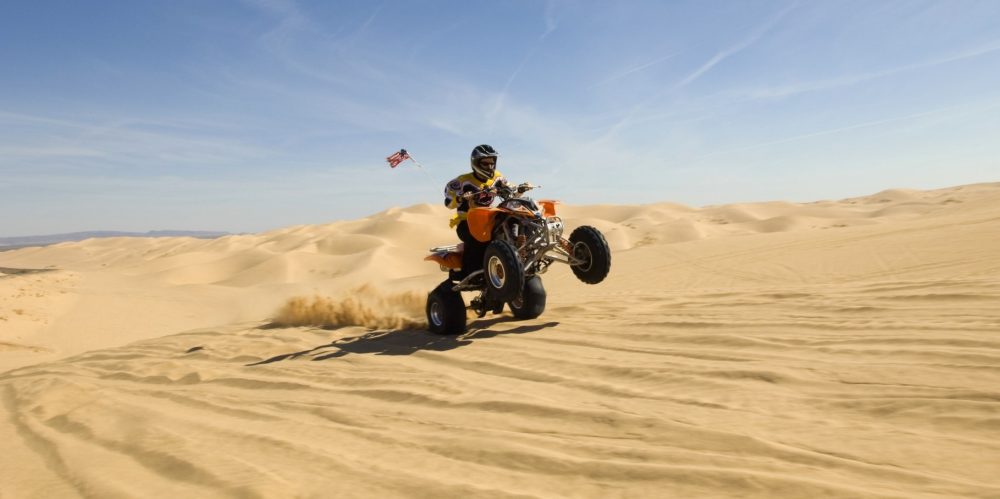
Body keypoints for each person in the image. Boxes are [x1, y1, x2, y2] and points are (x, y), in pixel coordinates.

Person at [443, 144, 510, 279]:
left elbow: (509, 189)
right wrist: (461, 198)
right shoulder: (462, 181)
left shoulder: (497, 177)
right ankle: (469, 272)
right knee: (477, 240)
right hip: (466, 222)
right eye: (485, 163)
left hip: (488, 219)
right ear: (476, 163)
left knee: (506, 229)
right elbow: (448, 203)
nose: (490, 167)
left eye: (492, 163)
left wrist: (515, 190)